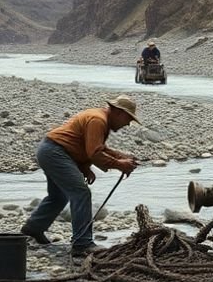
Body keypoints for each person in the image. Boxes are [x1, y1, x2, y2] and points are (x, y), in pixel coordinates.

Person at [20, 96, 141, 257]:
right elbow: (95, 152)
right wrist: (120, 164)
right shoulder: (98, 120)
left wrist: (88, 166)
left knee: (58, 196)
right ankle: (82, 243)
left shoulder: (98, 117)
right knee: (81, 193)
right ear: (119, 113)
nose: (127, 124)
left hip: (51, 150)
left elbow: (86, 145)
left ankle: (33, 228)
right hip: (55, 152)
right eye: (128, 119)